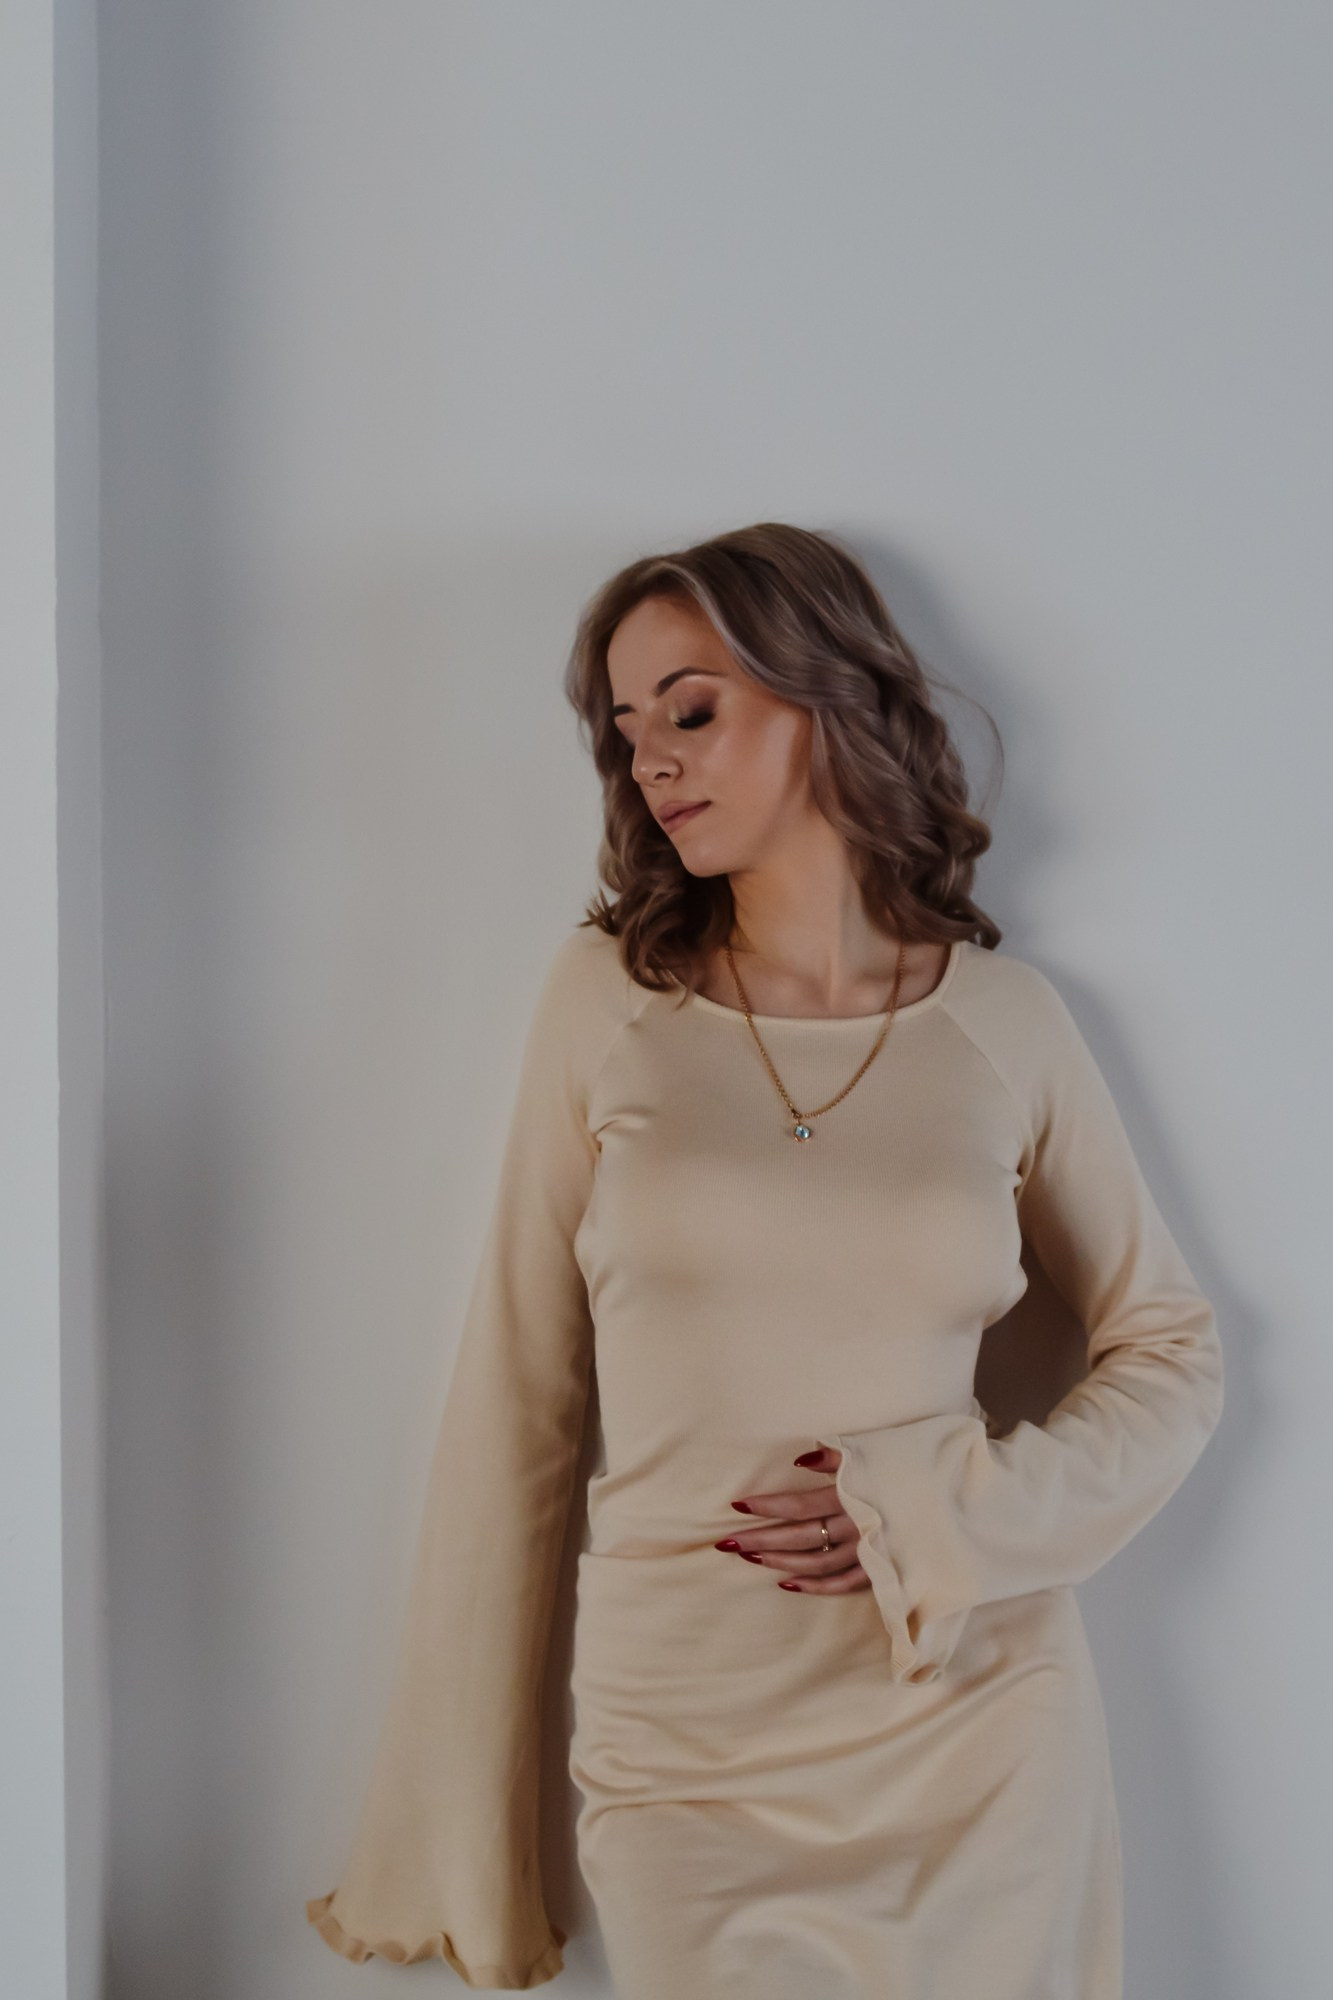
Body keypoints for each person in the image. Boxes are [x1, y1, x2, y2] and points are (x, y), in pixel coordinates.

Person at [305, 521, 1224, 1996]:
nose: (651, 764)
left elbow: (1169, 1351)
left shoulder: (1006, 1025)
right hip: (684, 1733)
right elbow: (520, 1400)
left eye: (691, 710)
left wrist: (939, 1505)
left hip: (970, 1721)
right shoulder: (608, 1002)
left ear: (827, 693)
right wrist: (464, 1812)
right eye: (626, 732)